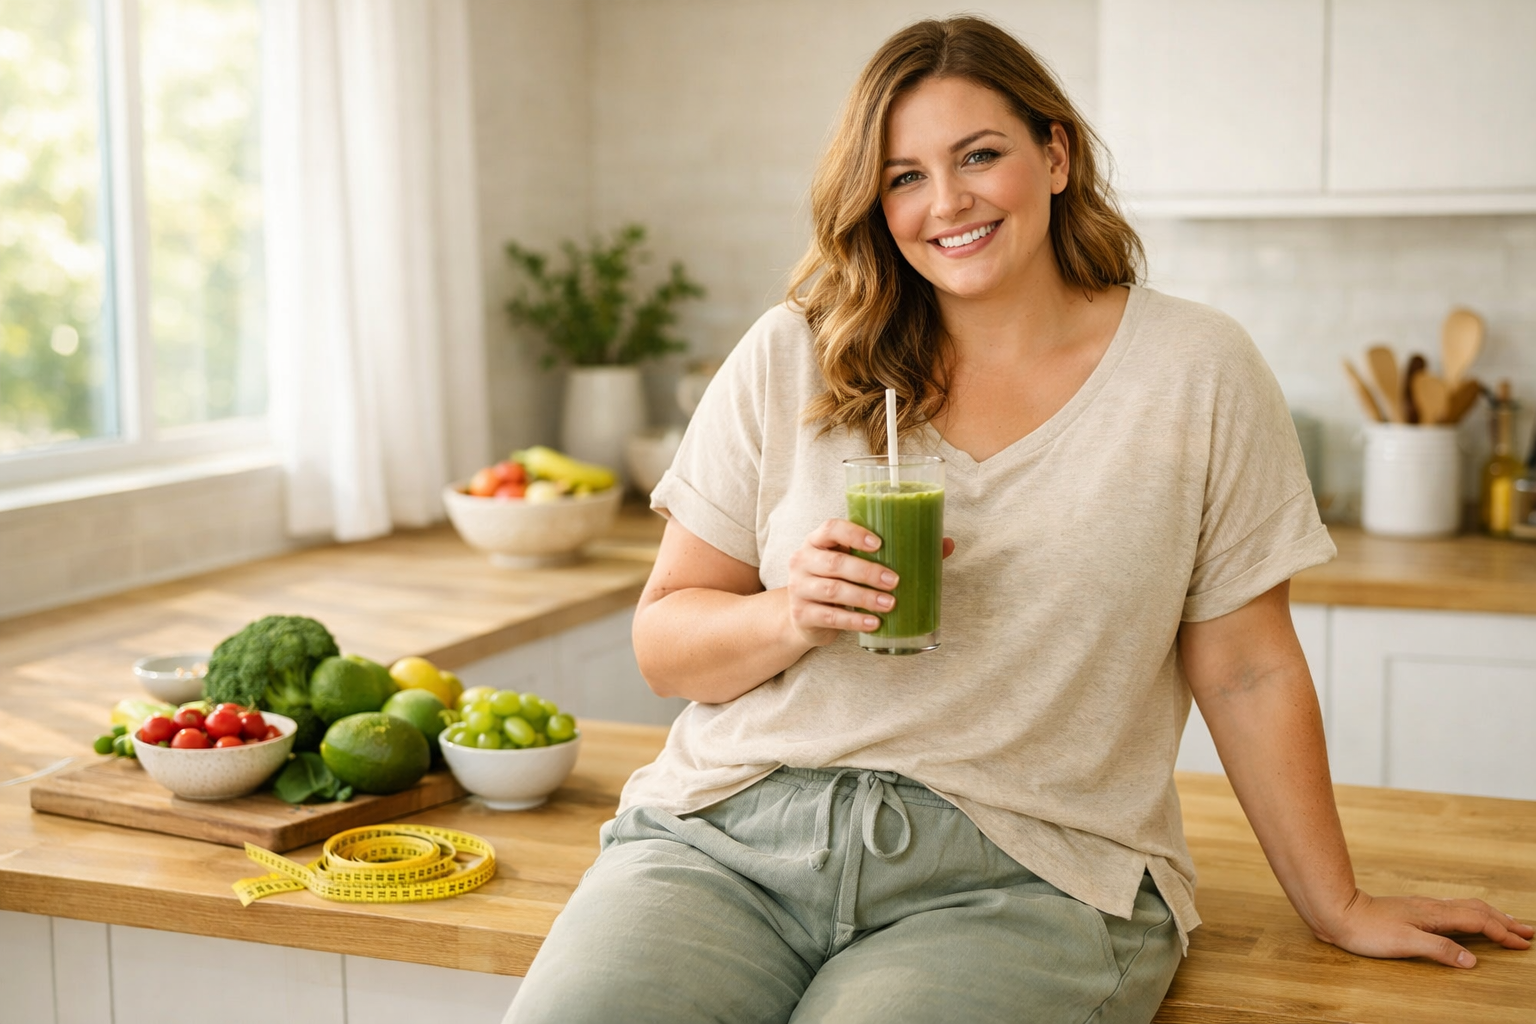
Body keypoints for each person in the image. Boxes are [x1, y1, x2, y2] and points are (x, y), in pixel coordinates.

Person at [505, 16, 1532, 1023]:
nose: (945, 201)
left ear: (1054, 153)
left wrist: (1336, 901)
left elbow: (1249, 666)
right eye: (904, 175)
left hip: (1026, 874)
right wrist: (791, 615)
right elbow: (666, 641)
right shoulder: (797, 352)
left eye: (979, 155)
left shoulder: (1196, 371)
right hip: (727, 842)